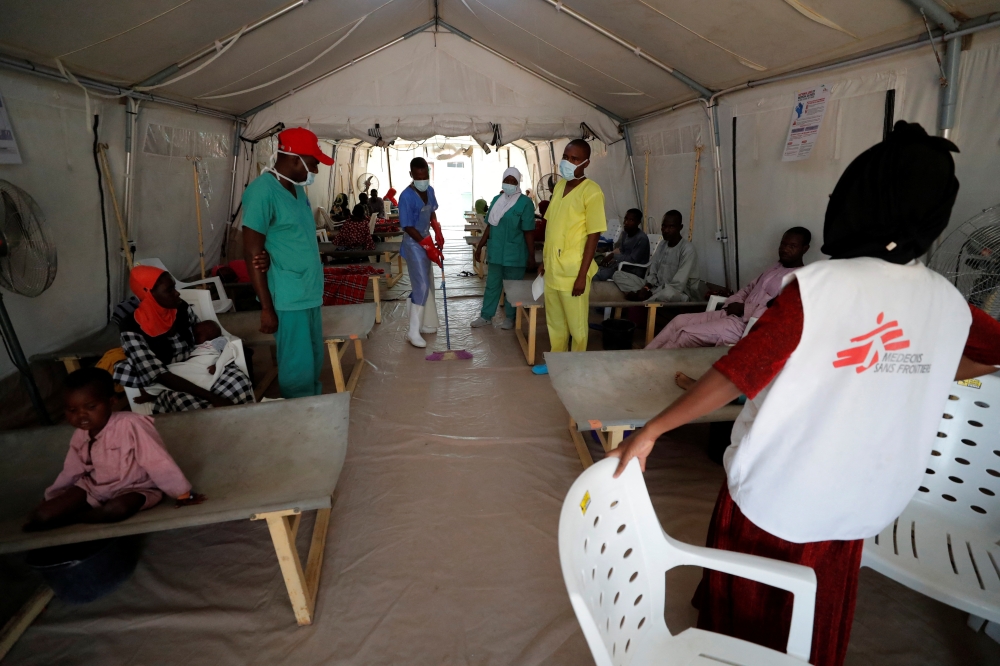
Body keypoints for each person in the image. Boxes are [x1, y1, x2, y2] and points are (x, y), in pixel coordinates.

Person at [608, 122, 1000, 666]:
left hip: (783, 492)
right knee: (813, 612)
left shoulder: (818, 289)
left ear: (857, 200)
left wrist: (652, 429)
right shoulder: (949, 302)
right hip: (867, 500)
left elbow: (736, 374)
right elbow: (985, 354)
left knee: (751, 613)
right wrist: (922, 369)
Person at [24, 368, 205, 532]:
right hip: (94, 488)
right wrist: (52, 496)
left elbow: (157, 460)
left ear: (111, 401)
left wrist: (182, 493)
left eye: (91, 407)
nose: (81, 415)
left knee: (116, 509)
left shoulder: (131, 424)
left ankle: (75, 518)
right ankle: (83, 513)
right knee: (42, 515)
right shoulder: (81, 434)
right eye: (72, 410)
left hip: (135, 488)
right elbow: (72, 470)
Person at [242, 127, 333, 398]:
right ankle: (300, 419)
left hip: (308, 291)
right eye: (314, 162)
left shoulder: (296, 191)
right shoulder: (262, 192)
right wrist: (267, 308)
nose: (315, 169)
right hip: (288, 296)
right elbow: (252, 253)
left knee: (314, 359)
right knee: (297, 365)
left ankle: (312, 409)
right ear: (296, 159)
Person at [114, 266, 252, 412]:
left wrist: (216, 361)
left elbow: (204, 337)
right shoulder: (131, 327)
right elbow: (159, 375)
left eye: (174, 287)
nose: (177, 293)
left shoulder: (181, 308)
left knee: (239, 382)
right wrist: (213, 397)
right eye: (169, 290)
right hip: (168, 380)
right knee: (189, 404)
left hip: (196, 365)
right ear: (148, 294)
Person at [647, 227, 811, 349]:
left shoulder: (799, 279)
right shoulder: (775, 267)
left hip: (745, 327)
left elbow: (778, 312)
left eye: (792, 246)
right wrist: (733, 304)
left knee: (685, 334)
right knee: (678, 321)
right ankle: (644, 356)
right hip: (731, 313)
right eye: (783, 244)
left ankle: (653, 367)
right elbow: (748, 289)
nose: (784, 249)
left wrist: (744, 309)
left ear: (805, 249)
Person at [532, 139, 607, 376]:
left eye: (574, 159)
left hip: (574, 271)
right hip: (554, 269)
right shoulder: (559, 186)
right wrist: (545, 260)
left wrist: (582, 276)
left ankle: (575, 367)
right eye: (566, 156)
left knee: (577, 326)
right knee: (555, 323)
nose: (568, 162)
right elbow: (552, 226)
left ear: (586, 163)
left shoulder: (592, 191)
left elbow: (594, 235)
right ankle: (556, 363)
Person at [470, 167, 536, 330]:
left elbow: (528, 232)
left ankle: (511, 317)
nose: (509, 184)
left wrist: (531, 256)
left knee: (512, 287)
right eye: (506, 180)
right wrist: (480, 246)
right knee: (492, 284)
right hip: (496, 252)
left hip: (515, 254)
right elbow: (490, 226)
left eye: (512, 181)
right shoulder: (496, 200)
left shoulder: (525, 203)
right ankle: (486, 316)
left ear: (518, 183)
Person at [399, 157, 445, 348]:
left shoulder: (430, 190)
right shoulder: (406, 197)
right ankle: (413, 331)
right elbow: (408, 226)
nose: (422, 180)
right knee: (422, 285)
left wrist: (437, 230)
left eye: (425, 176)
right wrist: (428, 247)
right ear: (411, 175)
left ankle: (423, 323)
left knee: (426, 283)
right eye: (418, 177)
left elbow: (431, 211)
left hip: (425, 240)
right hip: (414, 244)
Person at [614, 210, 698, 302]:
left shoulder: (687, 249)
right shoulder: (662, 244)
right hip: (655, 287)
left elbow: (678, 285)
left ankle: (641, 299)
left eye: (671, 227)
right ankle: (644, 297)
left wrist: (649, 292)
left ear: (680, 227)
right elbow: (653, 271)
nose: (666, 230)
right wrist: (646, 287)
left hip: (678, 293)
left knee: (668, 294)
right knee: (618, 275)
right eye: (663, 226)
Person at [594, 208, 650, 281]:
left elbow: (633, 259)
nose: (626, 222)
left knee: (598, 275)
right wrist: (611, 258)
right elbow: (622, 251)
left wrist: (613, 256)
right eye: (625, 219)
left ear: (638, 222)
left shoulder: (641, 239)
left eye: (631, 220)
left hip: (632, 271)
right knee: (594, 269)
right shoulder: (625, 234)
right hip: (620, 266)